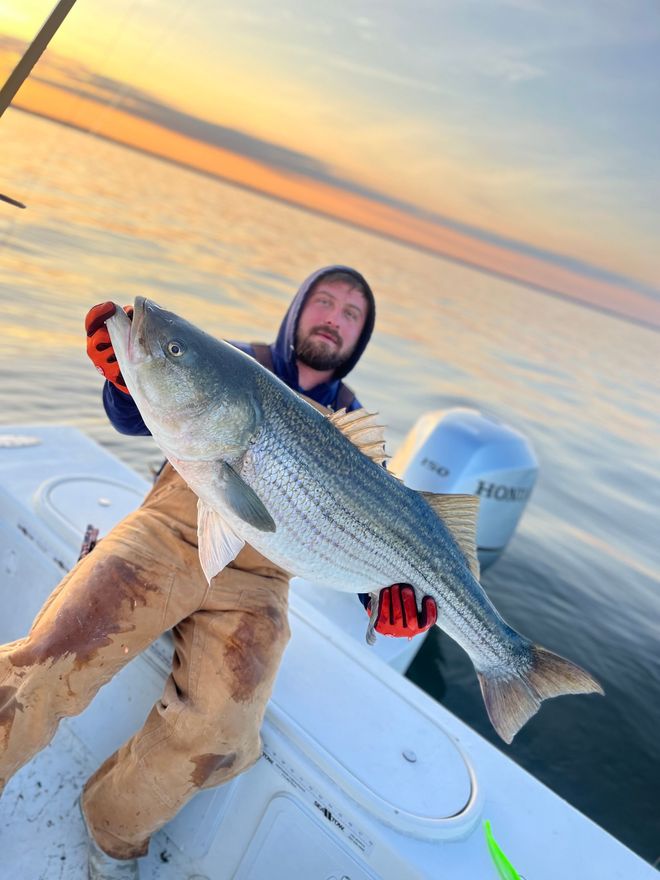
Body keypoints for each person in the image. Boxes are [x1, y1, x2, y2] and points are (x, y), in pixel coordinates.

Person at [0, 265, 437, 879]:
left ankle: (111, 830)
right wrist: (126, 382)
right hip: (167, 534)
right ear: (298, 309)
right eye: (326, 301)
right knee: (51, 654)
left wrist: (383, 601)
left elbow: (357, 535)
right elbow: (134, 419)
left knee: (222, 735)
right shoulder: (231, 359)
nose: (334, 318)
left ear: (360, 337)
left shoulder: (357, 434)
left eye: (352, 313)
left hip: (259, 582)